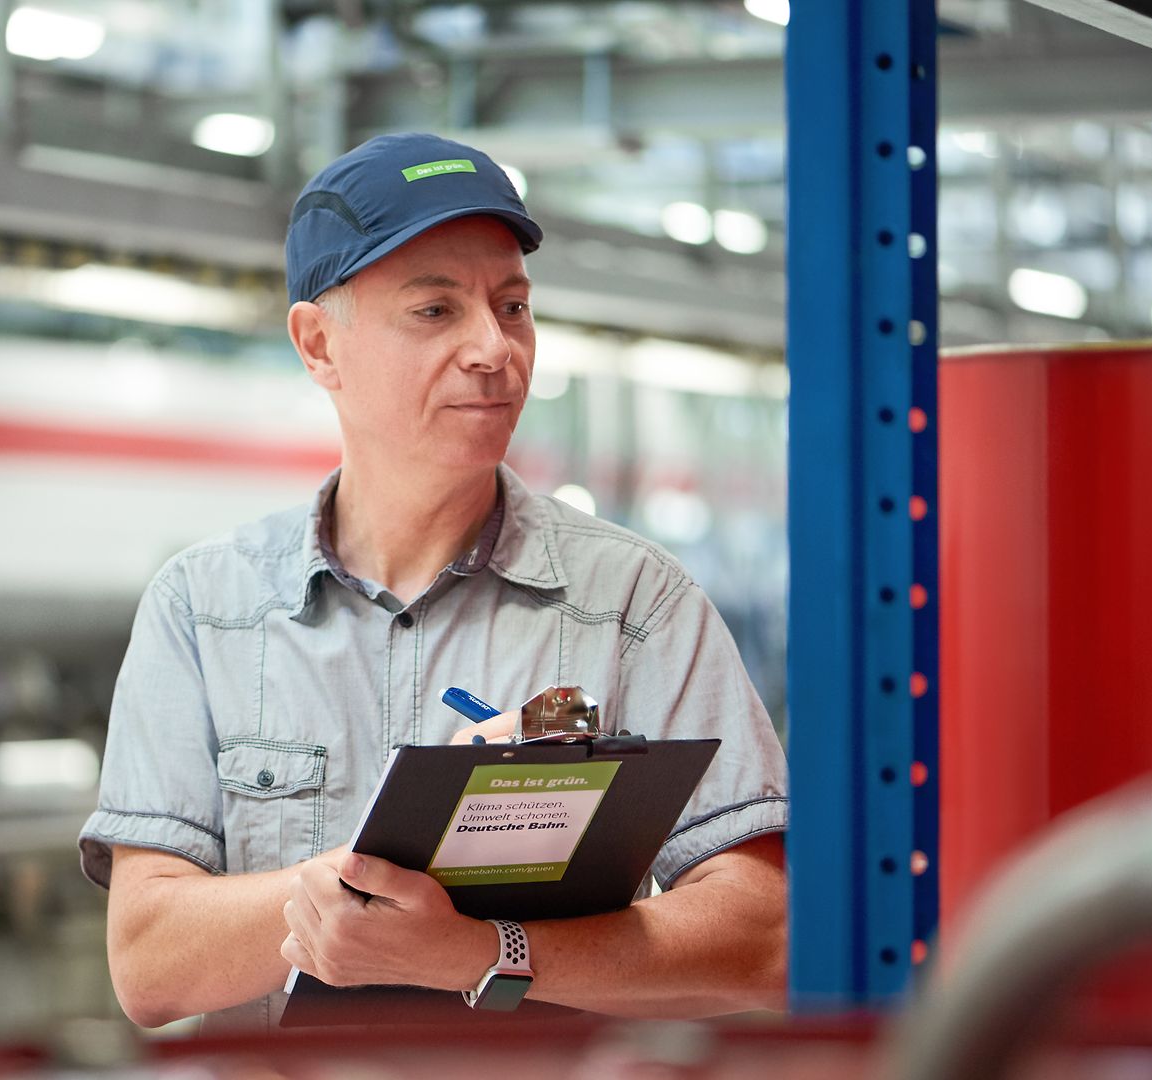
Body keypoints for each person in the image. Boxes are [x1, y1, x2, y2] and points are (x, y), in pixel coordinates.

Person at [79, 132, 787, 1032]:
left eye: (513, 306)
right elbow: (147, 963)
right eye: (435, 311)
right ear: (319, 344)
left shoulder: (634, 606)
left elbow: (766, 938)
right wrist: (344, 901)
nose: (493, 348)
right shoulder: (206, 612)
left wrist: (486, 950)